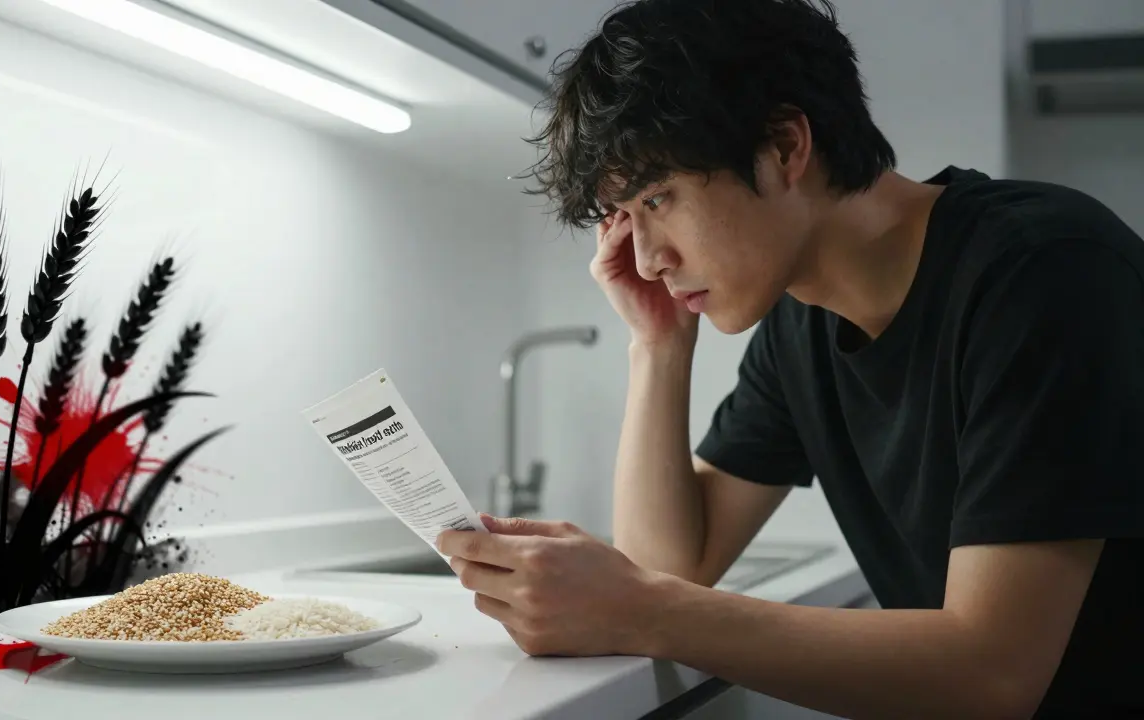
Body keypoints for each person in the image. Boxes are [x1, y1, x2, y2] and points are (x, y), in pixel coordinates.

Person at [434, 0, 1144, 717]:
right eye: (625, 218)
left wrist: (638, 608)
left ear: (783, 146)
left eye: (658, 198)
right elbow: (670, 565)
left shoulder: (1043, 271)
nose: (645, 261)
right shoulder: (800, 323)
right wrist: (658, 345)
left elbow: (996, 673)